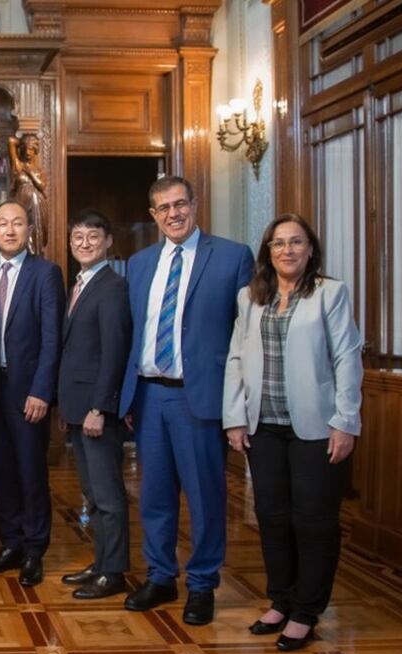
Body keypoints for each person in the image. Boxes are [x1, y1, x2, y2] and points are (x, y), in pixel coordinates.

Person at [119, 176, 254, 625]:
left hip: (201, 399)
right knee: (153, 496)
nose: (173, 214)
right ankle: (160, 576)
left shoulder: (232, 257)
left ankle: (202, 583)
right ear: (153, 215)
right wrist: (127, 400)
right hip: (150, 396)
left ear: (194, 205)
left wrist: (239, 405)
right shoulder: (138, 264)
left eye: (180, 204)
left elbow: (245, 336)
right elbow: (131, 333)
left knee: (205, 497)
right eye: (163, 208)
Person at [224, 214, 362, 651]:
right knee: (273, 518)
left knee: (313, 521)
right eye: (279, 243)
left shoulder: (329, 293)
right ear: (268, 250)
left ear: (310, 249)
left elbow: (347, 359)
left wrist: (345, 421)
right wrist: (234, 417)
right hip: (264, 428)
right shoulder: (250, 297)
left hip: (316, 428)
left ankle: (306, 611)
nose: (287, 250)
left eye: (296, 242)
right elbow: (235, 358)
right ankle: (280, 600)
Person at [0, 201, 63, 586]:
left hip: (27, 390)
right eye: (2, 224)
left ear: (29, 229)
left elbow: (51, 338)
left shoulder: (45, 274)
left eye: (17, 223)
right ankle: (11, 542)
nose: (10, 230)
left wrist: (42, 391)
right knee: (1, 472)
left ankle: (34, 549)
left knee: (31, 472)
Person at [57, 209, 132, 600]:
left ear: (107, 242)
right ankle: (101, 562)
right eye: (77, 237)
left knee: (108, 494)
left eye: (92, 237)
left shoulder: (113, 287)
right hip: (77, 406)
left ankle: (114, 572)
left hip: (96, 410)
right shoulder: (81, 283)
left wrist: (100, 408)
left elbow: (114, 354)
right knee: (92, 493)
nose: (83, 244)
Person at [7, 134, 48, 254]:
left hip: (37, 203)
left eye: (30, 149)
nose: (27, 152)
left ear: (35, 150)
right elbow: (11, 141)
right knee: (22, 231)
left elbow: (41, 185)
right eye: (25, 148)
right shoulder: (18, 166)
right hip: (21, 202)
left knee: (35, 232)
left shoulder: (39, 170)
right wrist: (22, 142)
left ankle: (35, 258)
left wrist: (29, 172)